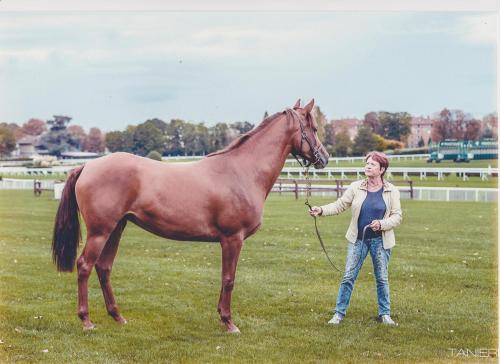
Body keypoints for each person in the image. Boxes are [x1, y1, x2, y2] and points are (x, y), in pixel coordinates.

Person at [309, 151, 402, 325]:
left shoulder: (392, 191)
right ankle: (338, 314)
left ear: (382, 169)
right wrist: (321, 210)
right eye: (367, 163)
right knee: (348, 277)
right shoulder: (356, 187)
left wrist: (381, 224)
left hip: (381, 241)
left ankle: (385, 314)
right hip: (357, 240)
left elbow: (397, 217)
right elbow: (340, 205)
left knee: (382, 278)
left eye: (372, 164)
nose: (368, 166)